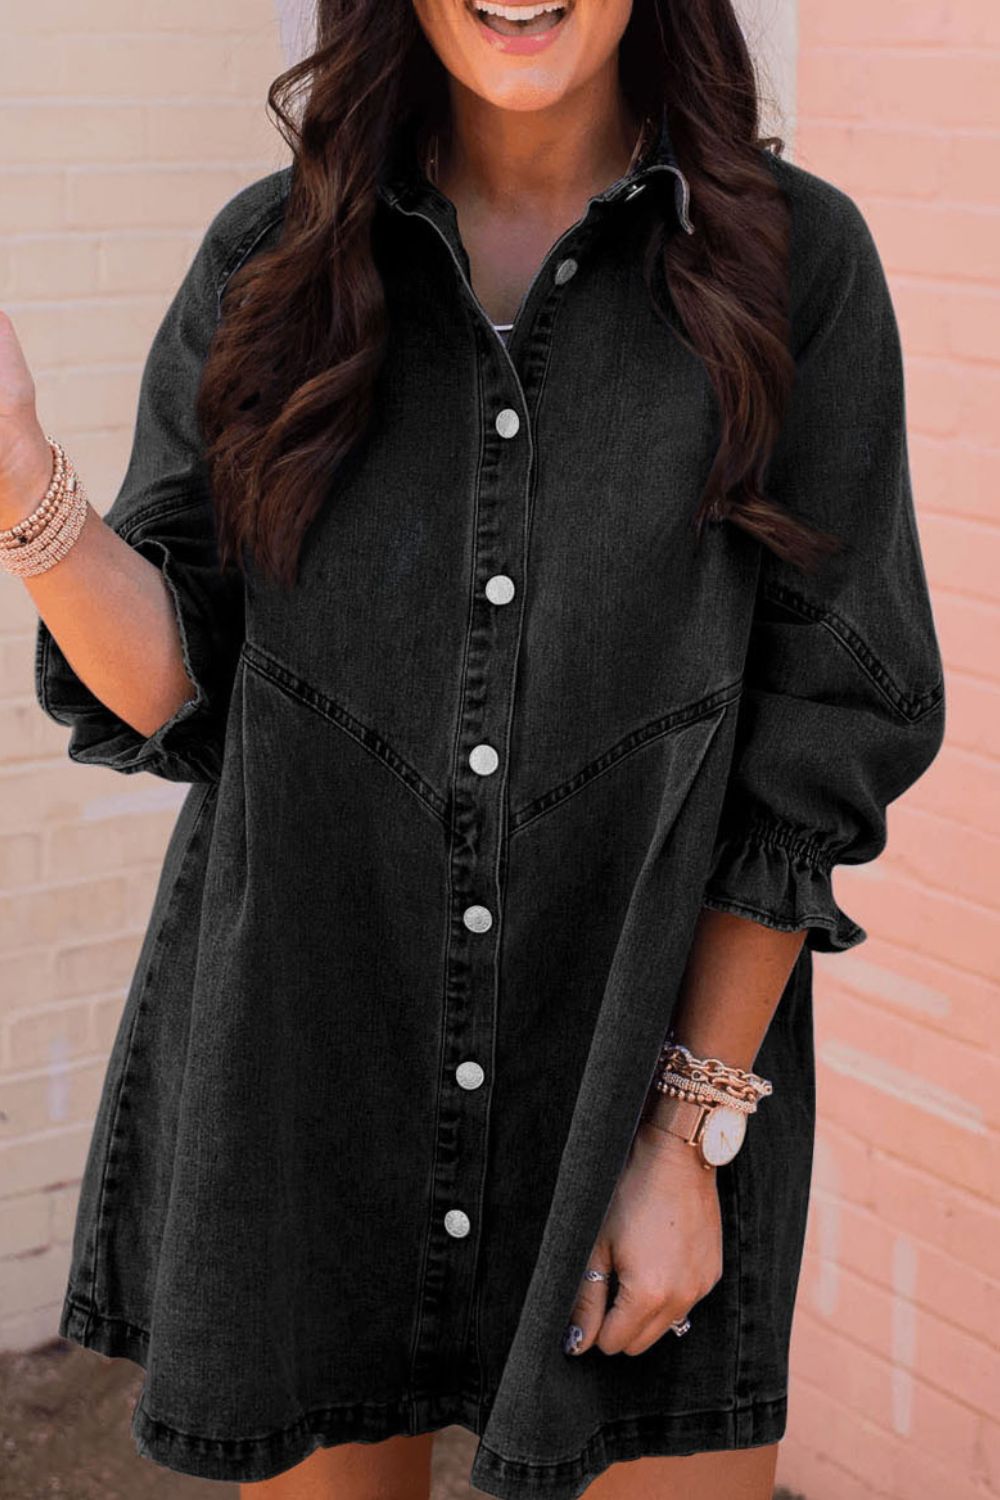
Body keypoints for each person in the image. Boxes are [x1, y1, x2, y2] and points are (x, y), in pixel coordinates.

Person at [0, 1, 946, 1497]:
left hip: (642, 1070)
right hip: (312, 1067)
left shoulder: (794, 262)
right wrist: (22, 490)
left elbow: (820, 739)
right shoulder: (270, 259)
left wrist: (682, 1135)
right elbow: (179, 688)